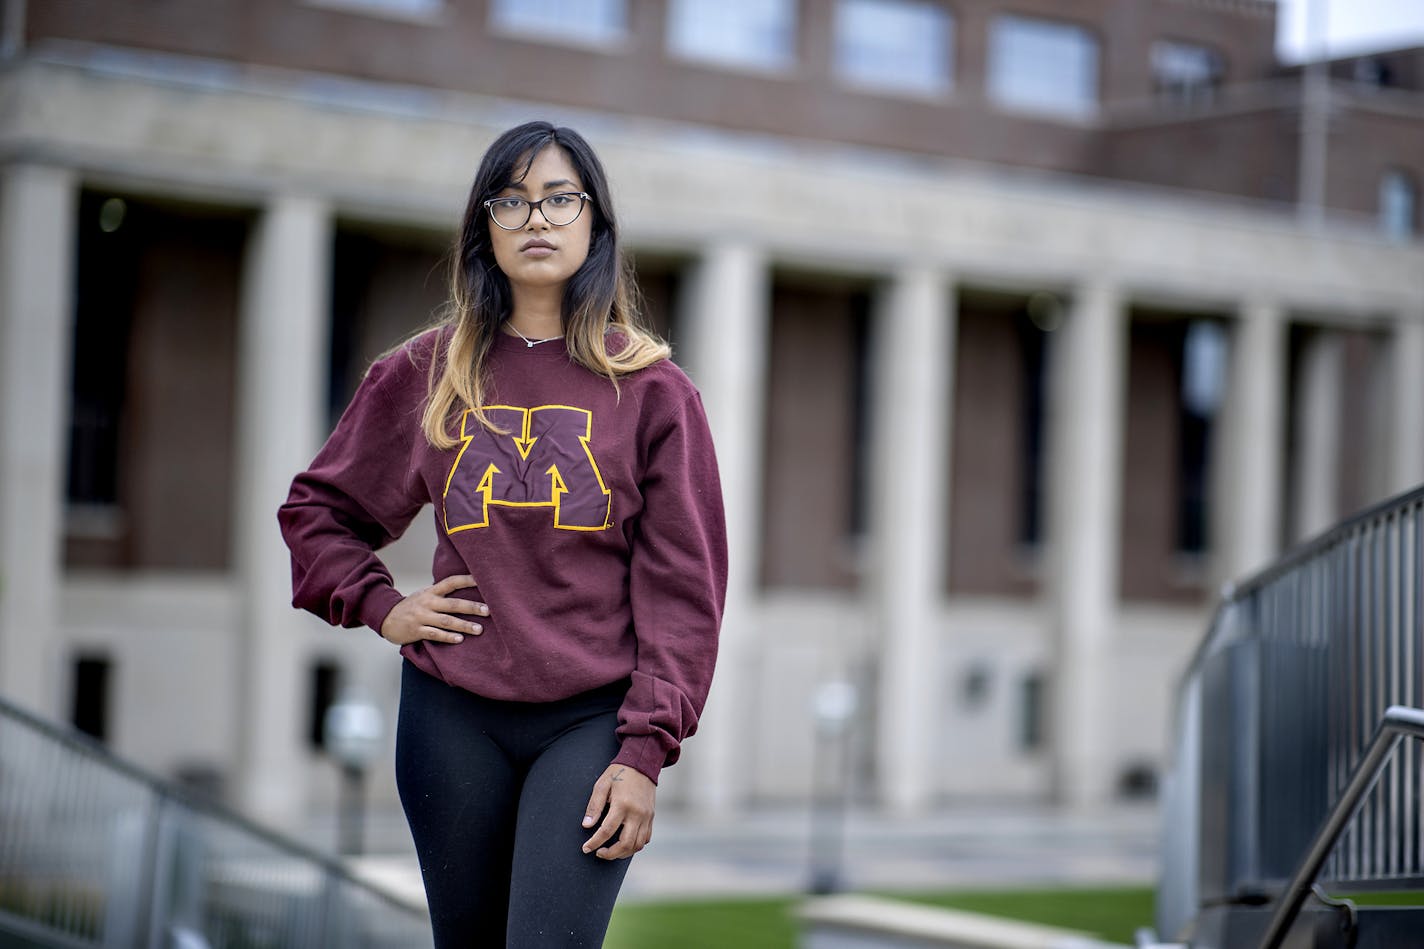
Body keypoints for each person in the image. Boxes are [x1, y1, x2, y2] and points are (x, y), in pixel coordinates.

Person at [278, 120, 727, 947]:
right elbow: (317, 513)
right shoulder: (425, 371)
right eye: (511, 200)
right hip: (453, 715)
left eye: (560, 198)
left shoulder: (654, 390)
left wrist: (645, 750)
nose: (537, 219)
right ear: (484, 226)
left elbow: (684, 591)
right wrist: (382, 606)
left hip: (591, 717)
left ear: (594, 222)